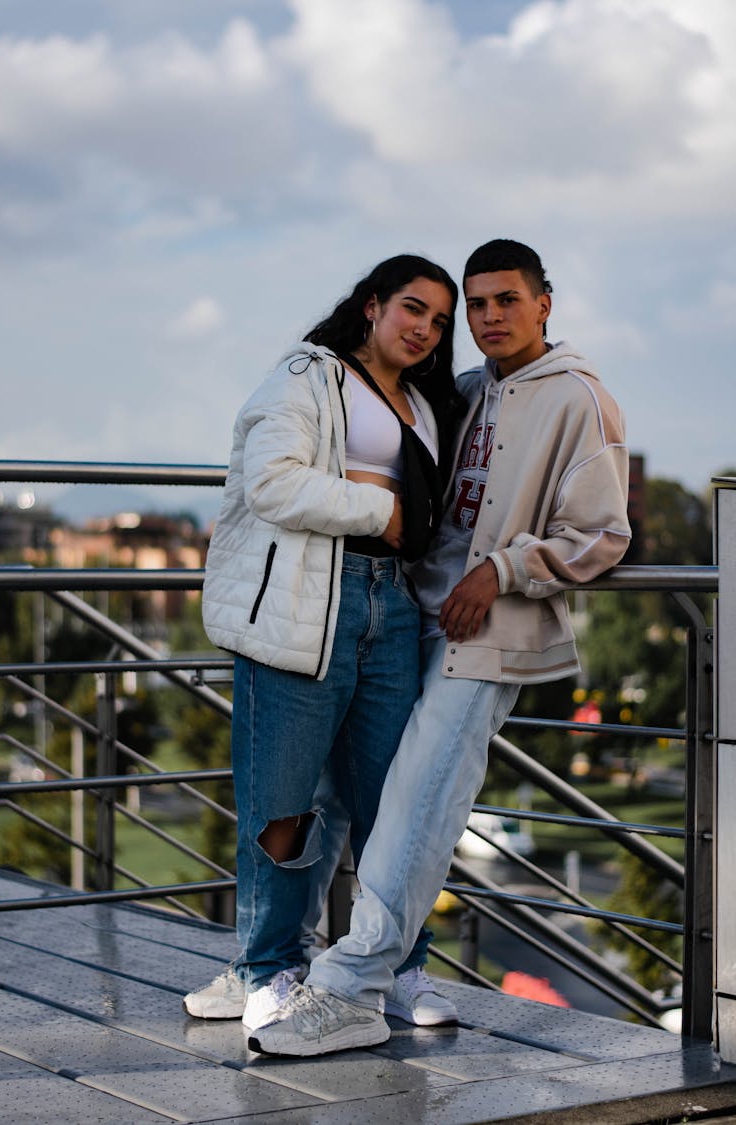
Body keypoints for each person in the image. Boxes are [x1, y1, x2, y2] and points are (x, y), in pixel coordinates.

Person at [247, 238, 632, 1057]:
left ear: (544, 304)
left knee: (421, 802)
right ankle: (283, 967)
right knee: (358, 793)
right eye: (479, 304)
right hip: (409, 615)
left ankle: (351, 989)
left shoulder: (579, 399)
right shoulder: (459, 391)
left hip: (488, 631)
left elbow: (602, 534)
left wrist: (501, 570)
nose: (490, 317)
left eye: (506, 300)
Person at [184, 254, 465, 1033]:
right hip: (306, 608)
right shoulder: (306, 376)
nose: (426, 329)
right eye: (413, 308)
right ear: (372, 305)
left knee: (391, 804)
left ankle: (397, 966)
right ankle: (269, 966)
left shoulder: (424, 402)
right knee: (282, 806)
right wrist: (382, 510)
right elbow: (270, 480)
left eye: (440, 321)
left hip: (395, 609)